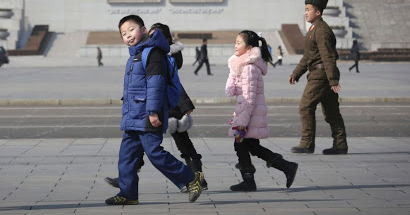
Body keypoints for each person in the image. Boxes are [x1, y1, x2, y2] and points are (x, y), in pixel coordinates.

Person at [105, 15, 205, 205]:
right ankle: (128, 194)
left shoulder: (152, 53)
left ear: (143, 30)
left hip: (148, 114)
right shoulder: (134, 55)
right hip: (133, 115)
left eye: (131, 30)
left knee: (154, 153)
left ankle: (191, 178)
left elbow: (156, 84)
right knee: (127, 156)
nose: (128, 35)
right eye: (123, 34)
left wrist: (152, 112)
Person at [225, 30, 298, 192]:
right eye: (235, 42)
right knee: (251, 146)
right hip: (248, 114)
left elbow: (248, 98)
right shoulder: (244, 66)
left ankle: (250, 180)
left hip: (248, 116)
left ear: (249, 47)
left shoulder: (249, 68)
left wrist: (241, 122)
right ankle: (286, 166)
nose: (235, 45)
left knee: (241, 145)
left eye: (239, 42)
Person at [289, 0, 348, 155]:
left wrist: (333, 80)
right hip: (321, 74)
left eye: (308, 9)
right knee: (331, 112)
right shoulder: (313, 30)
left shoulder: (322, 30)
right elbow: (308, 56)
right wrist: (296, 73)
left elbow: (328, 56)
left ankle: (307, 143)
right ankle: (340, 144)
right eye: (305, 9)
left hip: (321, 76)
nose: (306, 12)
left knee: (305, 106)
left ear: (318, 12)